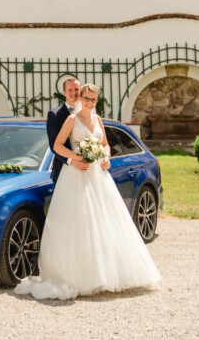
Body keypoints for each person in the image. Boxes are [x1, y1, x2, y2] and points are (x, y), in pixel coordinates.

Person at [15, 83, 161, 300]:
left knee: (104, 222)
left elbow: (105, 144)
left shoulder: (98, 119)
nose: (90, 102)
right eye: (87, 98)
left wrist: (106, 158)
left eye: (94, 100)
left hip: (99, 176)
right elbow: (57, 146)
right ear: (80, 97)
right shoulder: (72, 119)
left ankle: (106, 273)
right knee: (79, 223)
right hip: (75, 175)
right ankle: (79, 276)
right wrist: (75, 159)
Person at [45, 77, 83, 183]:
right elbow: (53, 145)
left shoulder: (87, 114)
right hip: (63, 168)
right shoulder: (54, 115)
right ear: (64, 92)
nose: (74, 93)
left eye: (76, 89)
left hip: (86, 167)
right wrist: (71, 160)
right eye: (70, 90)